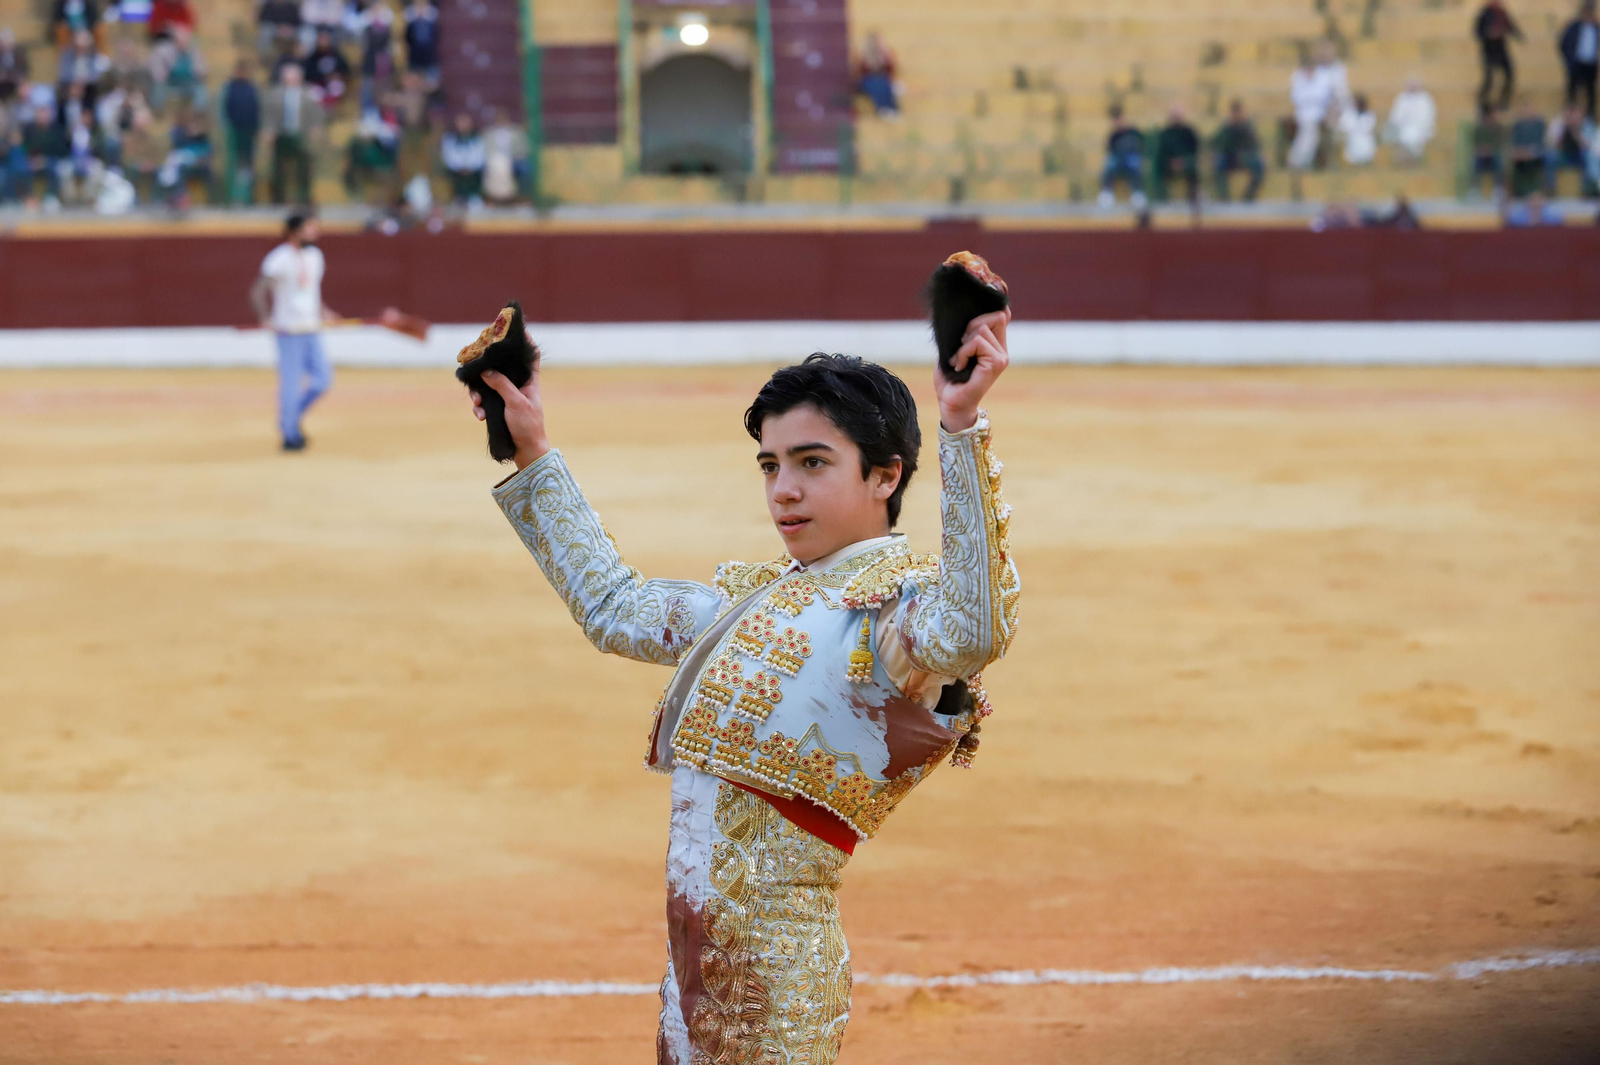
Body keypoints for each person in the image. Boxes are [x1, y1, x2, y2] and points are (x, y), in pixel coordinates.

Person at [465, 297, 1018, 1065]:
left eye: (812, 462)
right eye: (771, 464)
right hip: (692, 981)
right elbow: (613, 606)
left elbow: (977, 627)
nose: (782, 489)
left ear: (886, 474)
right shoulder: (757, 601)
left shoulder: (896, 620)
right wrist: (532, 450)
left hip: (776, 985)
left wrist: (960, 425)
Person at [251, 210, 337, 451]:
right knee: (291, 383)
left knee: (322, 381)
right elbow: (258, 290)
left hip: (311, 328)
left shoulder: (316, 256)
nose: (316, 231)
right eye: (310, 227)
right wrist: (265, 317)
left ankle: (289, 419)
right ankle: (290, 435)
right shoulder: (278, 258)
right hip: (288, 330)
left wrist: (324, 311)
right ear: (294, 231)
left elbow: (311, 291)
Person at [1287, 41, 1349, 170]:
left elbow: (1329, 96)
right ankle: (1299, 161)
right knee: (1309, 132)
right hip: (1306, 113)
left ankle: (1307, 161)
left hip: (1326, 112)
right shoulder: (1299, 76)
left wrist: (1332, 108)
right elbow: (1297, 98)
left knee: (1340, 127)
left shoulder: (1329, 73)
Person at [264, 62, 320, 202]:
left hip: (301, 135)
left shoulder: (309, 93)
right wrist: (270, 129)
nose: (290, 80)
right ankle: (278, 198)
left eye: (293, 77)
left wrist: (315, 127)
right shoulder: (275, 93)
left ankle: (303, 197)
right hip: (281, 135)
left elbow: (315, 113)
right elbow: (270, 114)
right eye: (288, 78)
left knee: (304, 168)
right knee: (278, 169)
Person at [223, 59, 261, 200]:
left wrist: (256, 128)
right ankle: (232, 197)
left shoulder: (251, 88)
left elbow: (256, 110)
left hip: (249, 131)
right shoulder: (230, 88)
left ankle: (247, 196)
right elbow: (226, 110)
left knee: (248, 164)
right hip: (234, 131)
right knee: (234, 163)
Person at [1212, 98, 1264, 201]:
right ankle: (1224, 198)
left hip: (1245, 157)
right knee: (1218, 163)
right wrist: (1229, 128)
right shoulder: (1226, 127)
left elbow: (1254, 144)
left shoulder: (1248, 126)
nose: (1237, 115)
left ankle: (1248, 197)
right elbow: (1217, 142)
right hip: (1230, 157)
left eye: (1238, 112)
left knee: (1259, 165)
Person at [1474, 1, 1522, 110]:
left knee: (1509, 75)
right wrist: (1490, 34)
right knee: (1489, 79)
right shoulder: (1484, 14)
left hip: (1501, 50)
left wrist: (1520, 37)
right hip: (1489, 51)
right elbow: (1478, 32)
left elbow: (1510, 26)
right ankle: (1482, 102)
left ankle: (1503, 101)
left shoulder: (1502, 13)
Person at [1097, 103, 1146, 208]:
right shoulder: (1114, 135)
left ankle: (1137, 194)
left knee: (1135, 164)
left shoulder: (1133, 131)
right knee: (1109, 164)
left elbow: (1140, 145)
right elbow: (1110, 150)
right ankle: (1107, 193)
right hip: (1118, 159)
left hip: (1130, 158)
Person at [148, 24, 205, 113]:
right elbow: (157, 71)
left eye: (185, 40)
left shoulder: (194, 52)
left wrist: (198, 73)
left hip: (187, 82)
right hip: (169, 81)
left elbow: (202, 69)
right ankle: (157, 111)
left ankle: (200, 113)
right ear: (174, 40)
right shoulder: (163, 51)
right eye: (180, 40)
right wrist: (163, 75)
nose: (183, 43)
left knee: (200, 88)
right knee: (158, 86)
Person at [1558, 0, 1599, 119]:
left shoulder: (1596, 28)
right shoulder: (1574, 26)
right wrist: (1570, 60)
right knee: (1572, 92)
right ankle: (1570, 117)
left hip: (1591, 64)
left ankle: (1590, 118)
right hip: (1576, 64)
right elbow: (1563, 44)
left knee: (1590, 93)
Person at [1153, 104, 1199, 205]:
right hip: (1169, 162)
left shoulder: (1189, 132)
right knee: (1158, 165)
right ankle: (1162, 196)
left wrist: (1182, 160)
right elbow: (1162, 151)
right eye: (1174, 115)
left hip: (1186, 160)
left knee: (1193, 165)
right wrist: (1171, 161)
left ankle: (1193, 196)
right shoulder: (1165, 133)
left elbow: (1194, 149)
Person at [1544, 103, 1595, 191]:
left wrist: (1576, 133)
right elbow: (1552, 145)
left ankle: (1588, 189)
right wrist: (1565, 130)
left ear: (1581, 115)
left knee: (1590, 157)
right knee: (1549, 156)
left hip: (1580, 156)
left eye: (1576, 116)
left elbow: (1590, 147)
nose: (1573, 119)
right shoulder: (1558, 123)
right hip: (1564, 155)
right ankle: (1550, 189)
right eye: (1570, 116)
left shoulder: (1588, 124)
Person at [1385, 76, 1437, 162]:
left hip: (1421, 128)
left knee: (1412, 136)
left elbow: (1428, 117)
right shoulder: (1402, 98)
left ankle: (1415, 159)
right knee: (1405, 135)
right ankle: (1405, 159)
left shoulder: (1425, 99)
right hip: (1403, 127)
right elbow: (1395, 116)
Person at [481, 106, 527, 203]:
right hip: (494, 159)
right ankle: (495, 196)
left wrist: (513, 156)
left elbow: (523, 149)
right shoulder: (489, 133)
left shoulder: (516, 132)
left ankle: (509, 195)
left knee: (507, 165)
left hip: (513, 158)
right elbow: (485, 149)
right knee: (496, 165)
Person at [440, 109, 484, 205]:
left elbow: (480, 158)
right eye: (460, 121)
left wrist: (469, 168)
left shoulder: (478, 139)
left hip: (473, 175)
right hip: (455, 175)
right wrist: (460, 167)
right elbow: (448, 158)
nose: (463, 125)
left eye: (466, 122)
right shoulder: (449, 139)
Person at [302, 28, 351, 108]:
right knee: (313, 92)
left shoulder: (336, 55)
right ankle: (320, 112)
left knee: (337, 86)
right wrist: (323, 77)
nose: (324, 42)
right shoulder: (313, 56)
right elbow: (308, 73)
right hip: (317, 84)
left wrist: (338, 76)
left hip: (333, 83)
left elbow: (346, 70)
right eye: (321, 40)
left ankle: (331, 109)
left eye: (326, 40)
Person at [855, 30, 898, 116]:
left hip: (882, 79)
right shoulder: (864, 54)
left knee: (883, 84)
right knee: (877, 84)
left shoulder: (885, 54)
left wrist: (887, 58)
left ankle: (888, 108)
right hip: (869, 80)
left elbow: (890, 71)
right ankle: (884, 108)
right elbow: (862, 72)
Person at [1508, 103, 1547, 195]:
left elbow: (1540, 143)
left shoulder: (1539, 125)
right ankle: (1517, 192)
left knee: (1538, 156)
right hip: (1521, 154)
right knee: (1514, 159)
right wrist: (1520, 152)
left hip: (1536, 153)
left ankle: (1538, 191)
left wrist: (1529, 152)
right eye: (1525, 111)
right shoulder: (1518, 125)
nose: (1527, 113)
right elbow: (1515, 143)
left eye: (1529, 110)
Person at [1470, 103, 1506, 195]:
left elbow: (1499, 144)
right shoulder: (1479, 129)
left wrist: (1489, 150)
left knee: (1498, 159)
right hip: (1481, 154)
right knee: (1475, 160)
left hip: (1493, 153)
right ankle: (1474, 189)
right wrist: (1482, 150)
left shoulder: (1498, 128)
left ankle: (1498, 188)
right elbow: (1476, 143)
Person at [401, 0, 438, 87]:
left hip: (429, 55)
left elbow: (435, 37)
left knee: (431, 82)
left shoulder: (431, 21)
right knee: (413, 81)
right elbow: (407, 38)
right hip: (415, 55)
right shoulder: (411, 21)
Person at [1339, 92, 1378, 164]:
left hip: (1365, 137)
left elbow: (1369, 126)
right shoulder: (1348, 113)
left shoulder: (1369, 114)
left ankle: (1365, 160)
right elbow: (1344, 126)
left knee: (1366, 145)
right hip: (1352, 137)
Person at [0, 28, 30, 105]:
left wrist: (13, 76)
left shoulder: (19, 53)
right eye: (2, 42)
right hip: (2, 85)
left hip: (16, 83)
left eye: (6, 42)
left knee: (24, 87)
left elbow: (25, 70)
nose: (4, 45)